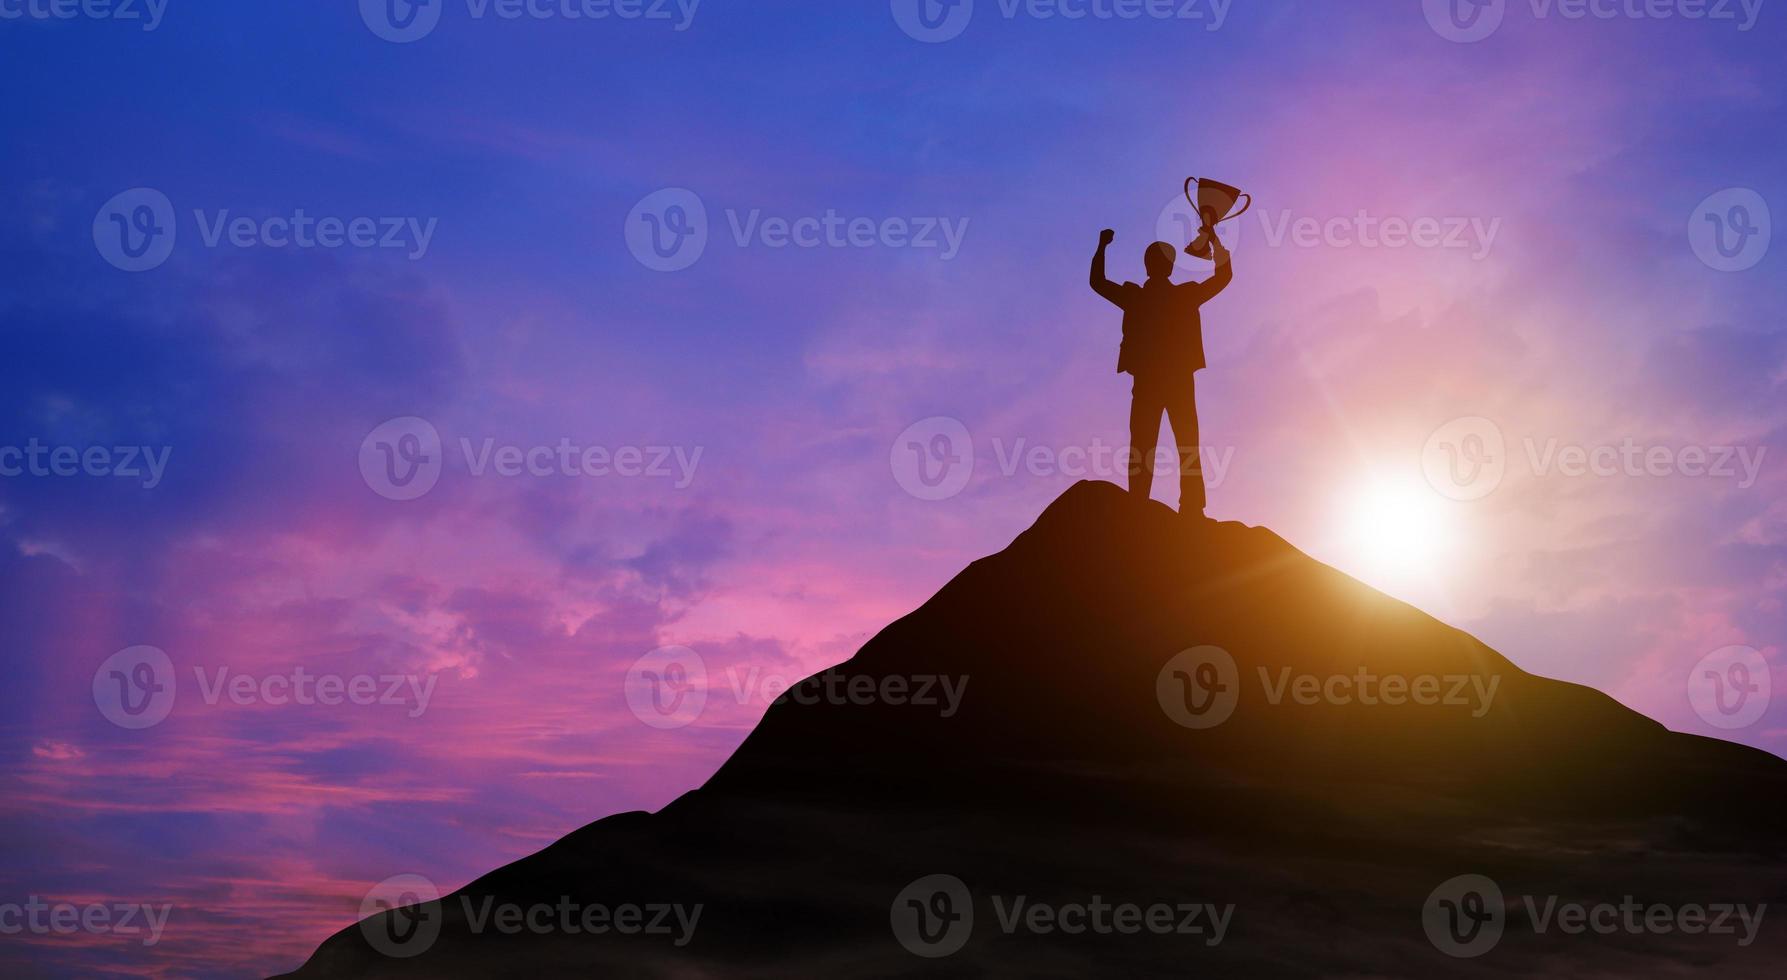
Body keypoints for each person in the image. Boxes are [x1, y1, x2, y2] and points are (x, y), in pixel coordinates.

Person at [1088, 227, 1233, 516]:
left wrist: (1102, 247)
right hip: (1177, 380)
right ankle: (1191, 505)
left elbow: (1098, 282)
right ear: (1169, 266)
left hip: (1149, 381)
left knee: (1144, 443)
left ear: (1149, 266)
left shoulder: (1136, 297)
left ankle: (1139, 502)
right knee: (1185, 442)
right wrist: (1214, 240)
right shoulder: (1185, 295)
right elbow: (1224, 277)